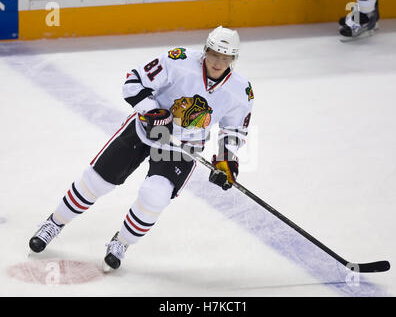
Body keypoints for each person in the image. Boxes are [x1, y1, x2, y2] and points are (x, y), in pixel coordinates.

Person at [28, 26, 255, 271]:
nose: (218, 62)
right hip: (146, 130)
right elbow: (134, 81)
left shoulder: (240, 91)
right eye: (214, 54)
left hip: (182, 147)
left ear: (234, 59)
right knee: (96, 182)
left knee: (154, 195)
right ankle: (54, 223)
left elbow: (233, 131)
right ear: (205, 50)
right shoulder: (177, 60)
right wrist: (152, 111)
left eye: (225, 57)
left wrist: (225, 160)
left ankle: (121, 243)